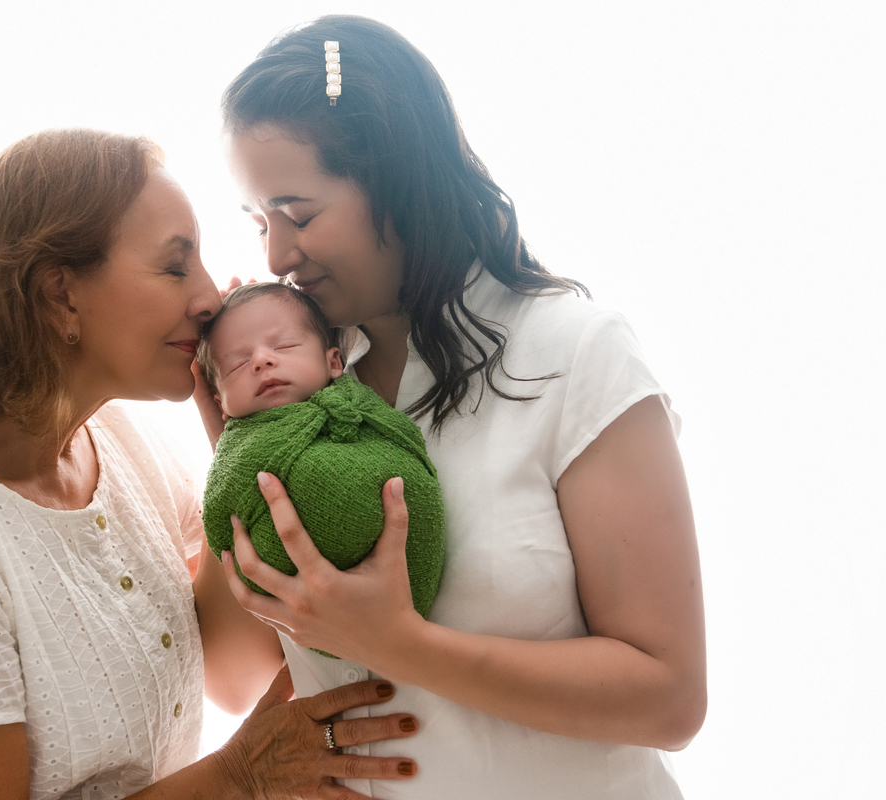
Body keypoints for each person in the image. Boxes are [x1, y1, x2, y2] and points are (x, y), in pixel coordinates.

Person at [0, 128, 422, 800]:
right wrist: (239, 777)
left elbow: (231, 673)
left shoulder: (110, 435)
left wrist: (240, 455)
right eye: (176, 266)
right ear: (62, 295)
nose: (210, 299)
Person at [209, 14, 707, 799]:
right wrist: (235, 439)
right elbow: (237, 675)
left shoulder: (576, 354)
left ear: (399, 183)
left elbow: (669, 698)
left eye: (299, 215)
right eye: (259, 222)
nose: (275, 255)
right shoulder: (303, 387)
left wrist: (403, 645)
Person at [195, 282, 445, 629]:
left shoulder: (357, 407)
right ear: (221, 403)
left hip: (405, 594)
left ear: (333, 362)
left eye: (283, 345)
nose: (262, 360)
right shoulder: (238, 451)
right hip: (298, 611)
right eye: (238, 364)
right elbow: (224, 515)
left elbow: (402, 446)